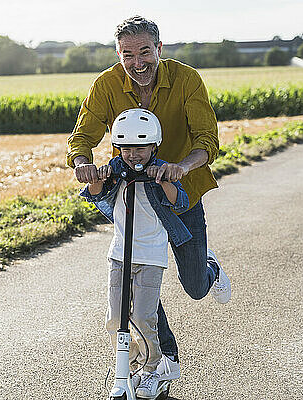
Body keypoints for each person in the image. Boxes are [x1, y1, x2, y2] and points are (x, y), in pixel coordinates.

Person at [66, 15, 231, 381]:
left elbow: (207, 140)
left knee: (195, 287)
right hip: (135, 193)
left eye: (145, 52)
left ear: (159, 48)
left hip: (179, 191)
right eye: (127, 54)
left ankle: (210, 268)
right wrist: (83, 164)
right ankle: (163, 360)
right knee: (138, 276)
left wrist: (180, 167)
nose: (137, 62)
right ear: (118, 53)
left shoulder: (187, 80)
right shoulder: (107, 84)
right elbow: (82, 137)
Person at [80, 108, 190, 398]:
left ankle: (153, 368)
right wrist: (97, 176)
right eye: (126, 147)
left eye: (140, 147)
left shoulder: (161, 169)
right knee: (115, 318)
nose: (133, 154)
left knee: (143, 317)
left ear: (154, 146)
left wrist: (165, 178)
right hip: (119, 254)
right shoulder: (115, 168)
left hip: (151, 257)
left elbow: (180, 202)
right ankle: (126, 369)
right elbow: (96, 194)